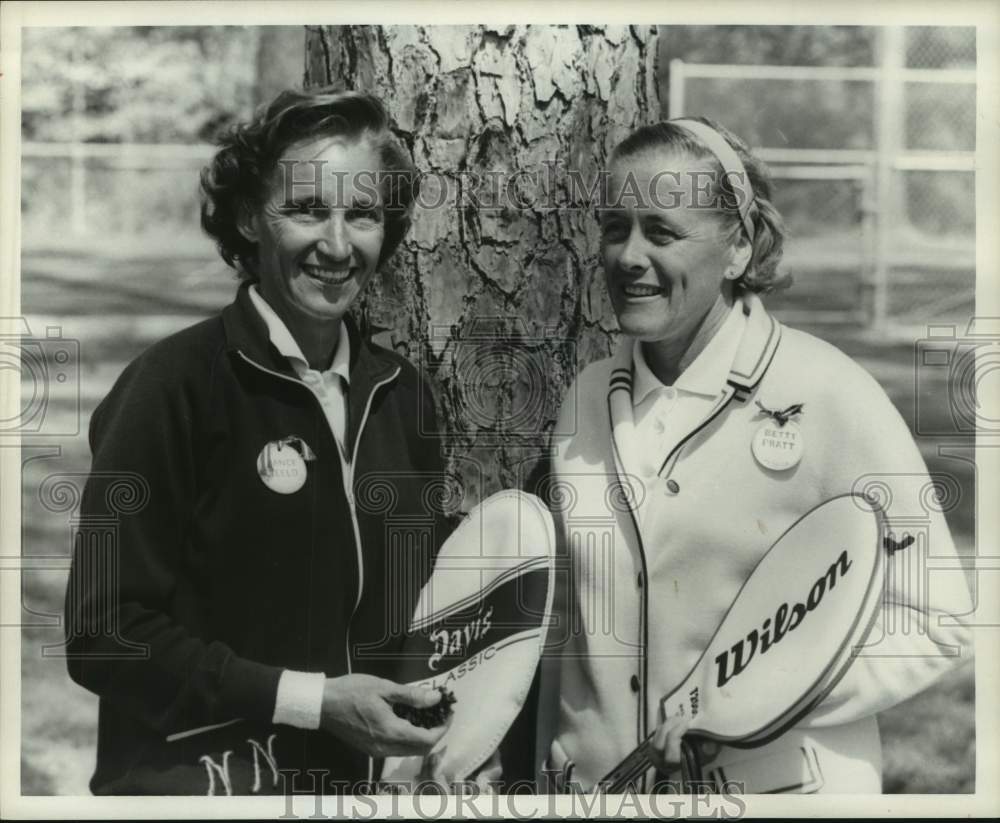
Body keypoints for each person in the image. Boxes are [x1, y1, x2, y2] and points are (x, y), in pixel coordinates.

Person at [533, 117, 974, 794]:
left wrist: (752, 703)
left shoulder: (829, 392)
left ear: (738, 248)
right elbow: (568, 636)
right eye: (615, 227)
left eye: (662, 232)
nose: (628, 255)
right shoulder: (586, 400)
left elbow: (935, 620)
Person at [64, 89, 452, 795]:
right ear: (248, 216)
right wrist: (311, 701)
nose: (338, 245)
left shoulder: (404, 397)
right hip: (199, 790)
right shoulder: (173, 385)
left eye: (362, 214)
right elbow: (104, 633)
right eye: (307, 209)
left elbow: (415, 617)